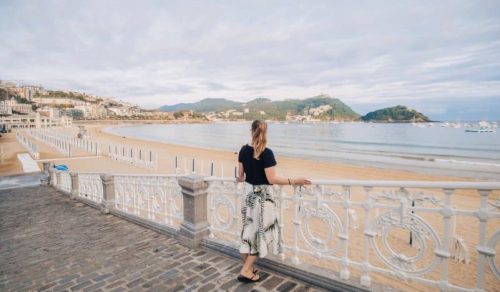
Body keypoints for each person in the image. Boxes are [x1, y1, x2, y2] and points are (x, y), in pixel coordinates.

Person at [236, 120, 310, 282]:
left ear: (251, 131)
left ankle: (249, 267)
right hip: (263, 198)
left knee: (248, 232)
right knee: (260, 233)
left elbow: (240, 176)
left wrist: (241, 176)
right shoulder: (267, 153)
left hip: (248, 196)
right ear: (265, 132)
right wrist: (295, 180)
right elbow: (272, 178)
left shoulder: (242, 150)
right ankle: (246, 270)